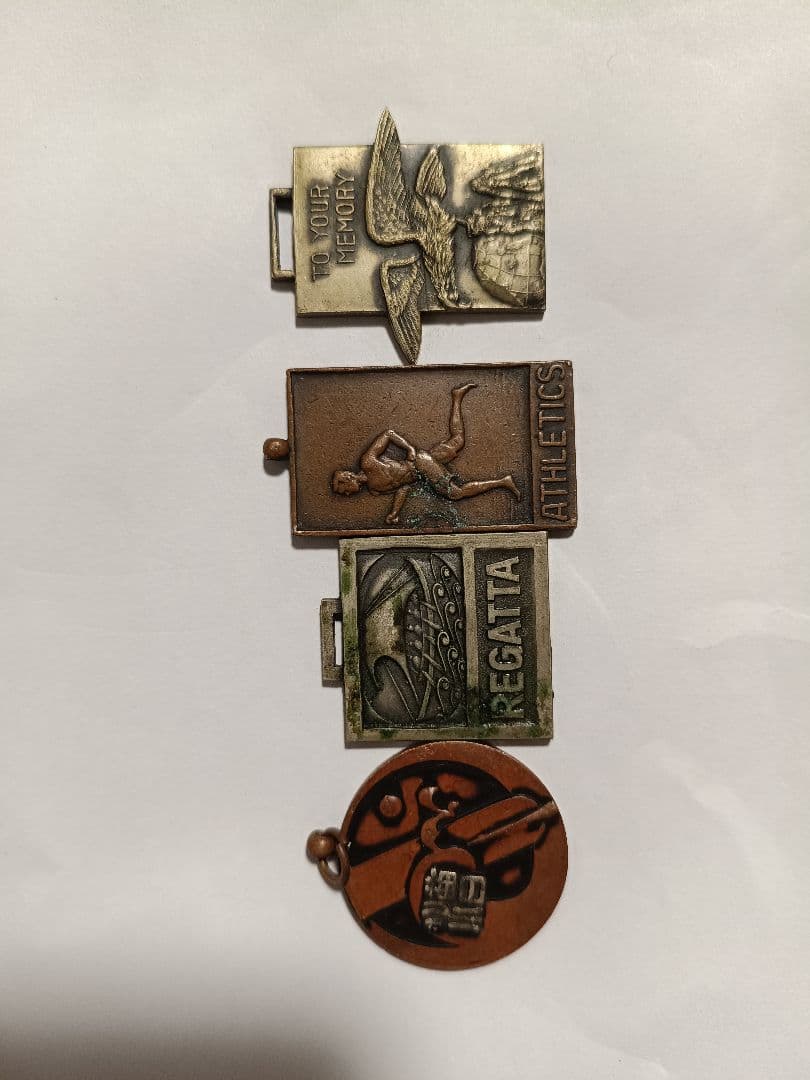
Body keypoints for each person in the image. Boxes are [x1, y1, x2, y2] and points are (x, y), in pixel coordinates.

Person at [331, 383, 520, 524]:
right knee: (457, 441)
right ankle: (457, 397)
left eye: (344, 490)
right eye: (345, 494)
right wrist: (395, 512)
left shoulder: (368, 463)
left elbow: (388, 434)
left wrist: (408, 448)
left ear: (348, 478)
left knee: (455, 493)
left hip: (420, 463)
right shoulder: (374, 489)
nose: (347, 493)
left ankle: (503, 482)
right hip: (422, 470)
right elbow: (403, 488)